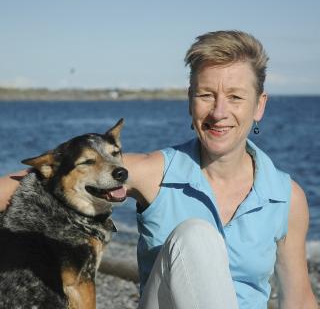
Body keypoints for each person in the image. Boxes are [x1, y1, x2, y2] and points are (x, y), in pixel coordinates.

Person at [0, 30, 317, 309]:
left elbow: (298, 301)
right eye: (206, 95)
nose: (219, 112)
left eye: (235, 97)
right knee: (195, 237)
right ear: (190, 100)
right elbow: (35, 184)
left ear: (259, 105)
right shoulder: (156, 171)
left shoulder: (286, 197)